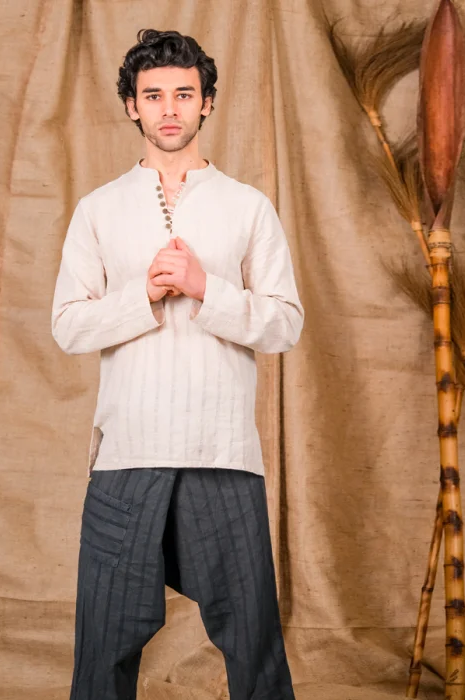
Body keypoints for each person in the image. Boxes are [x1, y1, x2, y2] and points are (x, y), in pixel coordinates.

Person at [51, 27, 303, 700]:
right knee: (103, 648)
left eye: (184, 94)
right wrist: (145, 296)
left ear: (207, 103)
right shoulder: (99, 209)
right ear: (132, 105)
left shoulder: (247, 206)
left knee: (253, 642)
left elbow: (285, 323)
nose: (169, 108)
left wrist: (203, 288)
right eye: (154, 94)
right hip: (127, 454)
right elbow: (68, 325)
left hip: (222, 453)